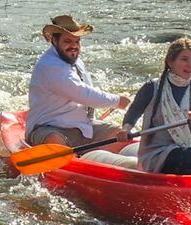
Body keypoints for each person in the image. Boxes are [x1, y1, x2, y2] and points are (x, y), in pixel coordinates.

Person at [117, 38, 191, 175]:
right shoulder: (152, 87)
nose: (190, 65)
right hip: (158, 152)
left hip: (188, 147)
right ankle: (179, 193)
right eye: (184, 59)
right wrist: (125, 129)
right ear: (170, 62)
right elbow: (133, 112)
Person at [25, 15, 130, 152]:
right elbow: (82, 93)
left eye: (77, 41)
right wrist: (117, 101)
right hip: (49, 128)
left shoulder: (75, 61)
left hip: (81, 127)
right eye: (68, 41)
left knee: (118, 134)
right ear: (54, 41)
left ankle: (102, 163)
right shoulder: (50, 65)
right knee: (54, 141)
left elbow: (87, 93)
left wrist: (115, 100)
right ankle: (73, 163)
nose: (74, 46)